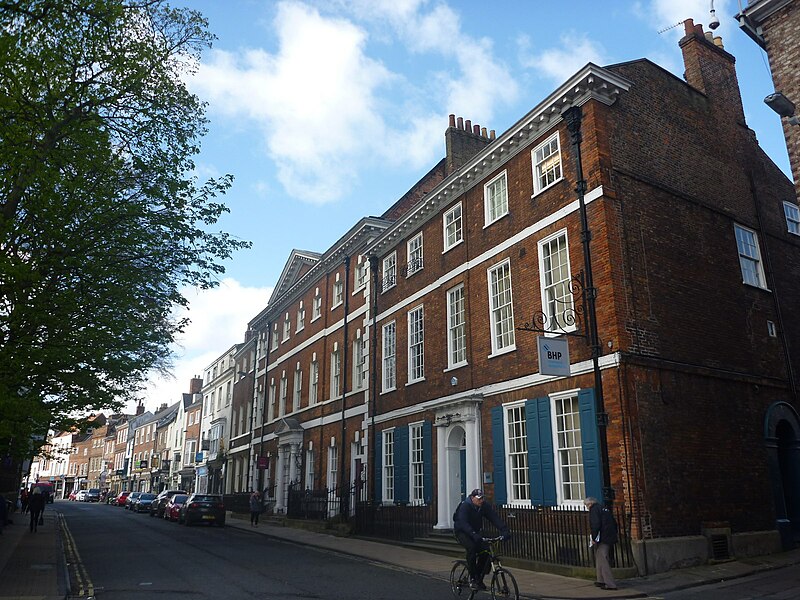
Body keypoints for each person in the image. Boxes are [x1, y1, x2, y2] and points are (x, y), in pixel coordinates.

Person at [453, 489, 511, 591]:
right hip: (462, 532)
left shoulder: (484, 506)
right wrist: (474, 534)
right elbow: (463, 523)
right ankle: (473, 578)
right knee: (472, 548)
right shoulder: (465, 506)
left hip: (475, 532)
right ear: (472, 498)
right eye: (479, 499)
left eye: (482, 498)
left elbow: (494, 518)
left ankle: (478, 577)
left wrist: (504, 530)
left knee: (486, 551)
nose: (481, 501)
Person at [584, 497, 619, 591]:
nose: (586, 508)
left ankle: (610, 584)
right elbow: (614, 523)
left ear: (589, 504)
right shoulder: (604, 509)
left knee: (603, 559)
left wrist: (594, 538)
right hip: (609, 536)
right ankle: (601, 580)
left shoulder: (594, 510)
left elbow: (596, 524)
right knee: (599, 557)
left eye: (586, 505)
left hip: (603, 538)